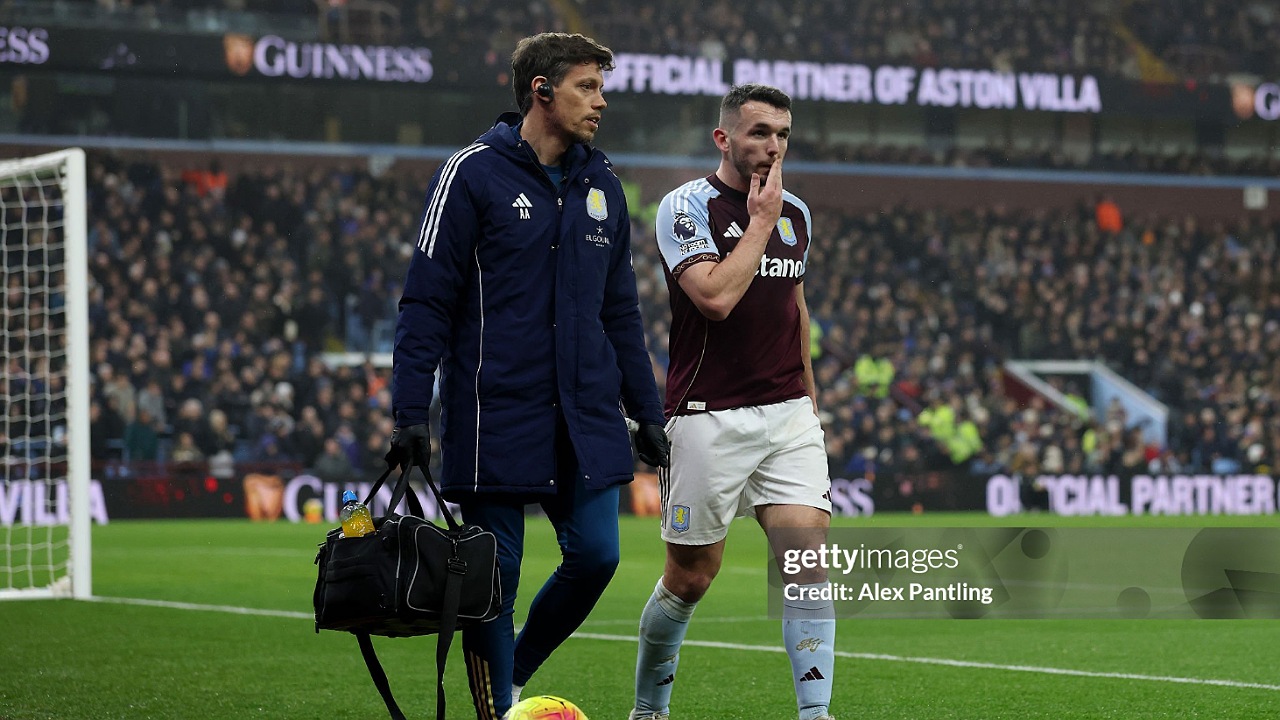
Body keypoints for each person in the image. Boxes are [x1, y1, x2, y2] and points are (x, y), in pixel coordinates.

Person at [388, 32, 669, 720]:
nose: (601, 102)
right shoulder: (471, 172)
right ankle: (492, 713)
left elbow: (621, 314)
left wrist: (649, 412)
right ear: (541, 92)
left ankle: (512, 674)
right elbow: (426, 299)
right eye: (587, 87)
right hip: (495, 412)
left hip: (587, 413)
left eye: (601, 87)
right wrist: (408, 413)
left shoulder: (603, 185)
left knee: (598, 556)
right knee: (496, 579)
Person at [631, 84, 835, 720]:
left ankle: (815, 712)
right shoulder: (684, 207)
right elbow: (714, 297)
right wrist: (761, 221)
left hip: (787, 413)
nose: (773, 146)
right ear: (724, 139)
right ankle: (649, 708)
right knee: (691, 577)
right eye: (758, 133)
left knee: (807, 564)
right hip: (707, 415)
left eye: (781, 134)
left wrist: (811, 403)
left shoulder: (796, 212)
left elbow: (794, 311)